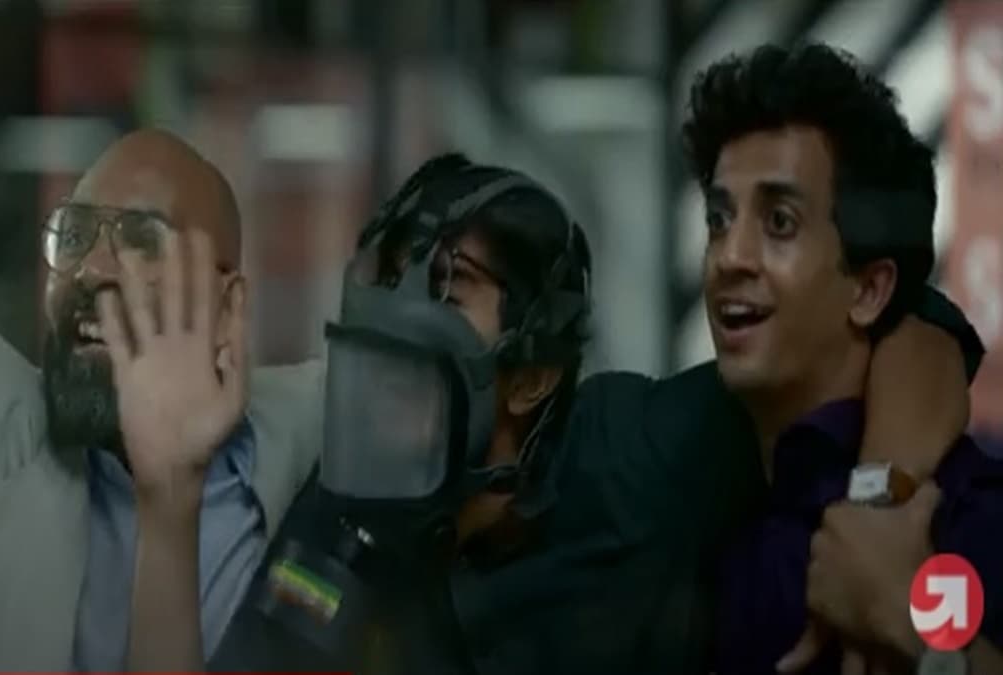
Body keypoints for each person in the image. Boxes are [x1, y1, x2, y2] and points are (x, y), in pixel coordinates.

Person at [132, 152, 983, 674]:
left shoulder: (638, 450)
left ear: (532, 375)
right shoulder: (339, 518)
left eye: (448, 290)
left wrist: (880, 501)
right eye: (388, 279)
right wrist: (167, 500)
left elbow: (908, 325)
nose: (397, 318)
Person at [0, 129, 323, 670]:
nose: (90, 269)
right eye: (74, 235)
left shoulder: (322, 442)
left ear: (226, 306)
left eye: (144, 240)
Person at [673, 43, 1003, 674]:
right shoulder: (685, 491)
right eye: (718, 218)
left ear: (870, 290)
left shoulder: (960, 522)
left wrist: (917, 632)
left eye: (779, 222)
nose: (729, 256)